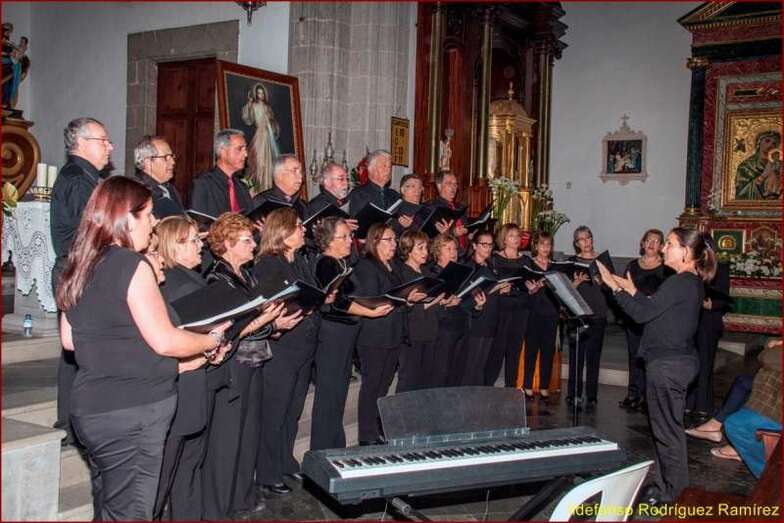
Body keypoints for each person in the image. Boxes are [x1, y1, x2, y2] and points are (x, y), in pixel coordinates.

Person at [56, 177, 231, 520]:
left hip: (91, 409)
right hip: (133, 412)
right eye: (148, 215)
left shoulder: (79, 261)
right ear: (124, 218)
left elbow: (70, 340)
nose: (153, 224)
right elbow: (165, 340)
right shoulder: (132, 265)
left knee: (109, 504)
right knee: (133, 511)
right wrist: (211, 341)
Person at [597, 227, 716, 505]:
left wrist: (615, 288)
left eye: (670, 244)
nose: (663, 249)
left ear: (686, 252)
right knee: (666, 430)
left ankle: (676, 496)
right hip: (675, 362)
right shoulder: (688, 282)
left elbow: (642, 314)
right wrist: (631, 290)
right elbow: (656, 308)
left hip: (668, 365)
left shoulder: (680, 282)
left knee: (668, 433)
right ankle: (665, 487)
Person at [202, 212, 297, 518]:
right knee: (227, 438)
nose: (253, 244)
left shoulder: (246, 273)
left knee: (248, 434)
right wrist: (268, 320)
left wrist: (273, 322)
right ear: (228, 244)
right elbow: (229, 329)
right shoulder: (218, 276)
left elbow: (254, 320)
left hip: (254, 358)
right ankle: (221, 504)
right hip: (231, 365)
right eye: (246, 240)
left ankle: (242, 497)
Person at [50, 116, 114, 446]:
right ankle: (69, 423)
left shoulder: (87, 178)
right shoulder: (78, 180)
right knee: (75, 353)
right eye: (103, 141)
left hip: (82, 271)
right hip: (78, 272)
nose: (110, 147)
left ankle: (75, 421)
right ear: (82, 143)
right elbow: (83, 237)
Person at [309, 217, 393, 451]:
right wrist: (371, 312)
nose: (350, 240)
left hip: (344, 334)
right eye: (344, 236)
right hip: (332, 335)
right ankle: (323, 450)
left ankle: (334, 446)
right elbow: (340, 303)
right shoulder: (326, 263)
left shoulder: (341, 262)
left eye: (350, 235)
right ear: (328, 240)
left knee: (337, 394)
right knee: (329, 396)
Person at [252, 208, 318, 494]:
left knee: (292, 410)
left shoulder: (299, 259)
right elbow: (270, 303)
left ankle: (284, 460)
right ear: (283, 232)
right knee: (275, 412)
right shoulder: (268, 263)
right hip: (282, 347)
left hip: (302, 345)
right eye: (299, 226)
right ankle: (266, 472)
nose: (303, 230)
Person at [352, 223, 425, 444]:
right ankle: (366, 434)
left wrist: (408, 299)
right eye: (389, 240)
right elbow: (370, 298)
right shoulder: (366, 266)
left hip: (393, 332)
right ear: (375, 242)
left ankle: (377, 428)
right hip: (374, 335)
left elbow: (399, 295)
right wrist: (401, 298)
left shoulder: (393, 265)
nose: (394, 244)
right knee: (372, 386)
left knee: (383, 386)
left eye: (394, 240)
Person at [706, 339, 781, 478]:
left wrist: (773, 347)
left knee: (736, 424)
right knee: (743, 383)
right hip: (772, 395)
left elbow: (769, 358)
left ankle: (771, 478)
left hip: (776, 405)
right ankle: (716, 426)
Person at [619, 229, 670, 412]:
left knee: (649, 358)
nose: (651, 244)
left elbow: (667, 295)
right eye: (648, 240)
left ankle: (648, 397)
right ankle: (633, 393)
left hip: (654, 319)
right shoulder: (632, 265)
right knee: (633, 356)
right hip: (634, 317)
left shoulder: (666, 268)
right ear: (642, 243)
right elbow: (624, 289)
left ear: (661, 246)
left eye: (656, 241)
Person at [430, 233, 481, 388]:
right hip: (443, 331)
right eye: (448, 249)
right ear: (438, 252)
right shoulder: (433, 274)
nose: (453, 252)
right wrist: (445, 303)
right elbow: (428, 307)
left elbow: (466, 301)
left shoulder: (462, 272)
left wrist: (477, 306)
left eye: (455, 249)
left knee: (458, 372)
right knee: (441, 373)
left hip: (462, 327)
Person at [396, 230, 445, 392]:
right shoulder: (402, 274)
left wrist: (443, 300)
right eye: (420, 248)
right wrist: (432, 302)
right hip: (413, 334)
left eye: (426, 247)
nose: (426, 252)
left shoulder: (426, 272)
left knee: (427, 379)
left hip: (431, 330)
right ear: (408, 249)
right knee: (409, 380)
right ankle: (402, 416)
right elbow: (404, 308)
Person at [568, 225, 611, 407]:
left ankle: (591, 395)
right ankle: (573, 393)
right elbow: (566, 289)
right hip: (578, 313)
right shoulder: (571, 262)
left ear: (592, 239)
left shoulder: (602, 261)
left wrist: (602, 281)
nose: (585, 242)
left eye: (588, 238)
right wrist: (575, 283)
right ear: (576, 244)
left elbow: (612, 287)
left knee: (594, 356)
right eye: (581, 239)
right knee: (576, 355)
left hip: (598, 312)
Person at [485, 223, 530, 388]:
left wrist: (532, 288)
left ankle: (511, 388)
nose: (516, 239)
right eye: (512, 235)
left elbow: (529, 284)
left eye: (518, 235)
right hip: (501, 309)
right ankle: (488, 386)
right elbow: (489, 285)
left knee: (514, 351)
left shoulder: (525, 260)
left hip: (521, 309)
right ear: (503, 239)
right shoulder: (495, 259)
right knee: (497, 350)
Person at [461, 231, 508, 386]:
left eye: (490, 245)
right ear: (474, 245)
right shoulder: (468, 266)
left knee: (482, 364)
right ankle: (466, 398)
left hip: (491, 318)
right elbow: (468, 294)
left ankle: (477, 398)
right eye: (484, 244)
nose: (488, 248)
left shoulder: (491, 264)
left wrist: (502, 289)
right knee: (471, 364)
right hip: (476, 319)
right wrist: (494, 289)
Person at [687, 260, 731, 419]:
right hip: (689, 319)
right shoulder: (688, 266)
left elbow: (724, 299)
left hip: (708, 321)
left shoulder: (720, 268)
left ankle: (702, 406)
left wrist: (711, 304)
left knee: (705, 364)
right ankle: (687, 404)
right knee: (689, 362)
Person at [521, 231, 560, 400]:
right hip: (534, 313)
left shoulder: (556, 266)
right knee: (531, 349)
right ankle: (527, 385)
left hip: (552, 313)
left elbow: (561, 292)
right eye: (542, 244)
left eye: (548, 244)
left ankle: (544, 386)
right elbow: (523, 291)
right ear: (535, 246)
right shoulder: (529, 265)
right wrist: (533, 289)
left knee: (547, 350)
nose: (545, 247)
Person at [190, 129, 254, 217]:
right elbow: (199, 222)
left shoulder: (242, 186)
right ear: (223, 152)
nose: (245, 154)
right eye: (239, 149)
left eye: (245, 149)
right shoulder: (203, 184)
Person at [348, 149, 412, 230]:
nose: (388, 170)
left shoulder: (395, 195)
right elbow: (356, 225)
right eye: (384, 166)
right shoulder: (358, 194)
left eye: (389, 167)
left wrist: (405, 224)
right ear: (371, 169)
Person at [132, 135, 185, 219]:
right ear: (148, 162)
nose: (173, 162)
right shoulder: (138, 192)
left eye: (172, 156)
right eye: (166, 157)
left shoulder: (169, 188)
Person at [242, 83, 280, 193]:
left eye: (262, 93)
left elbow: (274, 123)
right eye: (258, 93)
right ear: (256, 94)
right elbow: (248, 119)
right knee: (257, 161)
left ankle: (265, 187)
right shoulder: (253, 106)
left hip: (267, 137)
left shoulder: (268, 108)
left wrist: (271, 121)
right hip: (259, 135)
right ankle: (254, 187)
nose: (260, 95)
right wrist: (249, 104)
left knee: (267, 161)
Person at [424, 171, 468, 250]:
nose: (454, 187)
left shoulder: (460, 207)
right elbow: (427, 237)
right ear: (439, 186)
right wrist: (452, 233)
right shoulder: (430, 207)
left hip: (465, 254)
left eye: (455, 184)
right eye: (449, 183)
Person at [254, 154, 306, 219]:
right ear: (279, 175)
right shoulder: (261, 202)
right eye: (294, 171)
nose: (300, 176)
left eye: (301, 172)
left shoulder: (302, 205)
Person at [735, 130, 781, 200]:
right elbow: (741, 194)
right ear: (759, 143)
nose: (770, 145)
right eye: (767, 141)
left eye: (774, 144)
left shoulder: (778, 164)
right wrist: (763, 177)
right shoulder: (746, 166)